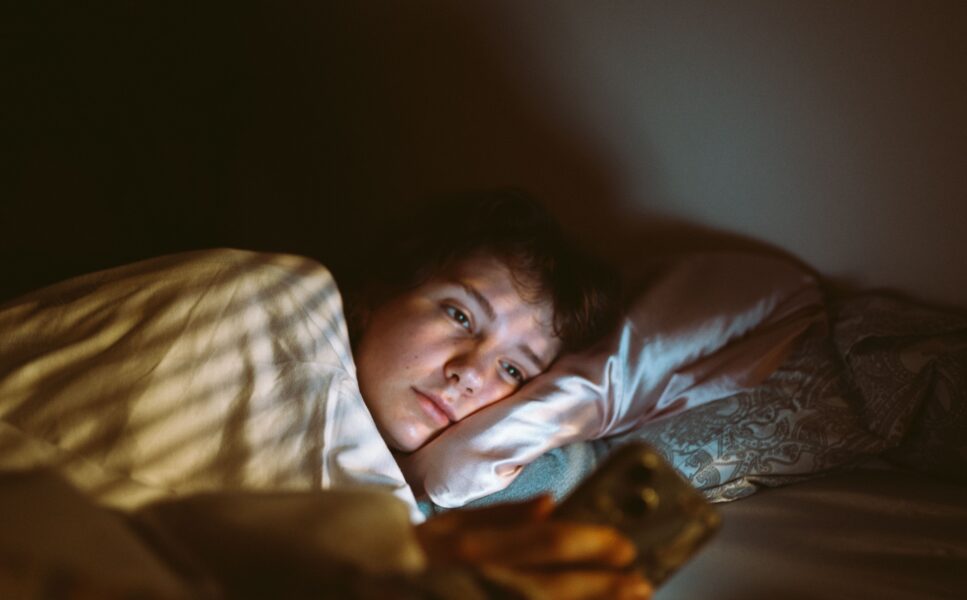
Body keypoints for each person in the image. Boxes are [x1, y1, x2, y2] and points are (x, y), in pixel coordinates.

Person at [0, 192, 651, 598]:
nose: (469, 372)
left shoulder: (396, 506)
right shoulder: (272, 300)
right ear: (374, 297)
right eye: (459, 315)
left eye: (513, 370)